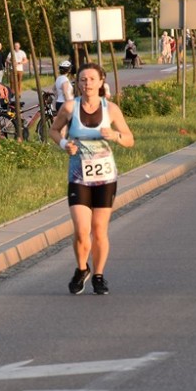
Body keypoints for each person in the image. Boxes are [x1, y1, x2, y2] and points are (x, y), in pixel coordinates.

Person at [49, 62, 134, 296]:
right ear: (77, 83)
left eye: (92, 79)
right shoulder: (70, 107)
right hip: (79, 177)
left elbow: (129, 139)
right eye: (83, 80)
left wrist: (115, 136)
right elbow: (54, 130)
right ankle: (81, 269)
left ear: (101, 82)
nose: (87, 84)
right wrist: (64, 144)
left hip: (105, 178)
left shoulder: (111, 109)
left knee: (99, 229)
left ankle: (98, 275)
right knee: (81, 229)